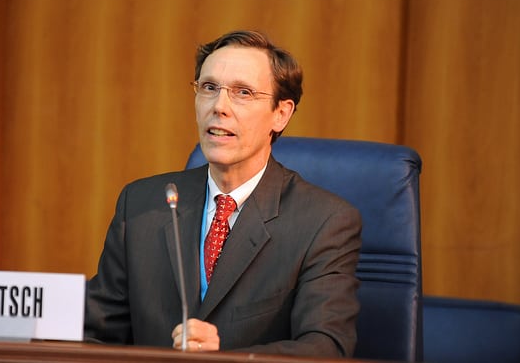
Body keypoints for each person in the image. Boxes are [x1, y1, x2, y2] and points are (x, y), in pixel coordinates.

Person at [84, 30, 362, 358]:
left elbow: (326, 347)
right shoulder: (142, 204)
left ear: (281, 113)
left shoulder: (323, 222)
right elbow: (96, 336)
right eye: (209, 88)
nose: (219, 106)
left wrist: (226, 357)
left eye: (243, 92)